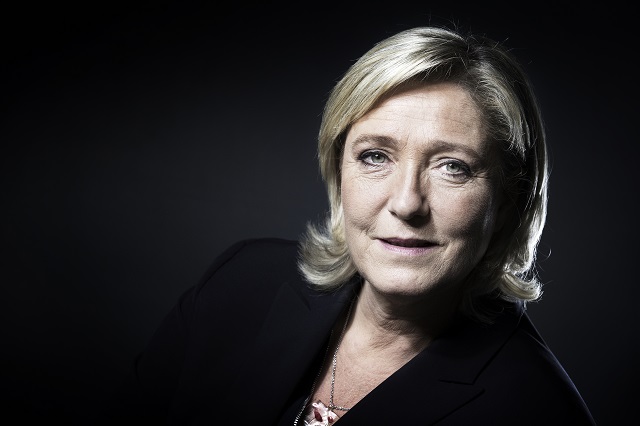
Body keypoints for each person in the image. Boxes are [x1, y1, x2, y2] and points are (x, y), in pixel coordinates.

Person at [105, 26, 596, 425]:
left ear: (509, 201)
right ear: (339, 171)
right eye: (375, 156)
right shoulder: (238, 282)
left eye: (453, 166)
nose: (406, 203)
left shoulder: (536, 410)